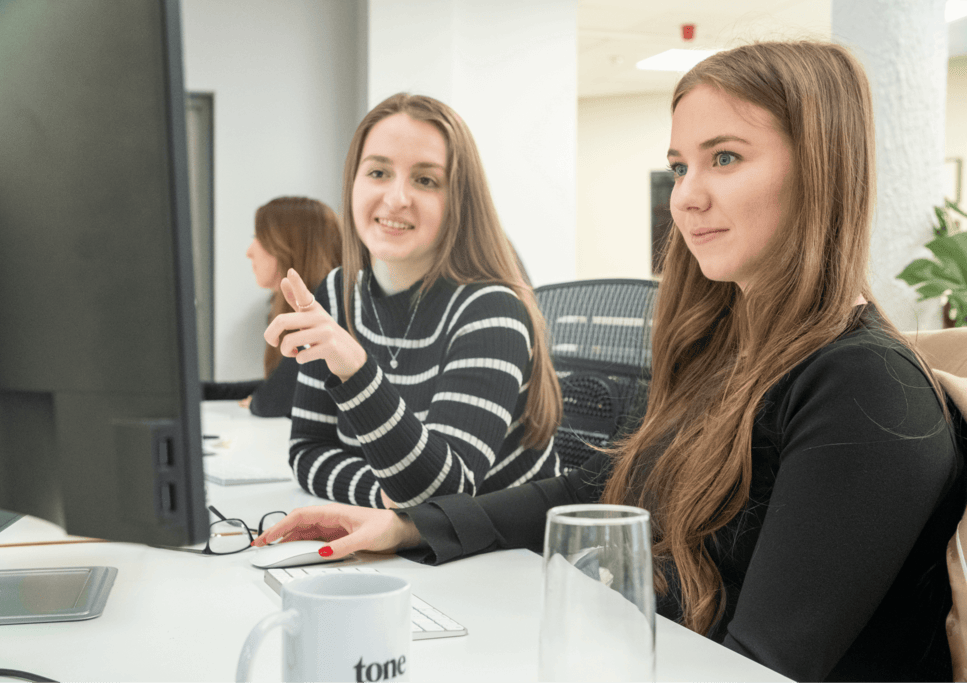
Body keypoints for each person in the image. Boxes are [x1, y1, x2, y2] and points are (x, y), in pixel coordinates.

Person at [254, 42, 967, 683]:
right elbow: (606, 489)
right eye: (680, 165)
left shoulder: (863, 389)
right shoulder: (731, 350)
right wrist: (409, 526)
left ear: (820, 166)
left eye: (725, 157)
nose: (686, 196)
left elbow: (759, 668)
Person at [261, 94, 562, 510]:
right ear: (353, 183)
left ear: (458, 199)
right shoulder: (336, 294)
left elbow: (444, 495)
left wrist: (356, 370)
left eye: (425, 180)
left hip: (503, 563)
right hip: (404, 554)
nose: (397, 198)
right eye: (378, 172)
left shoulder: (492, 312)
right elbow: (308, 453)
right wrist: (387, 498)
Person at [202, 196, 342, 417]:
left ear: (287, 247)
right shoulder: (309, 303)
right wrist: (201, 392)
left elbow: (273, 402)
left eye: (258, 238)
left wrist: (259, 401)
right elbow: (279, 386)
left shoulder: (326, 309)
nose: (249, 251)